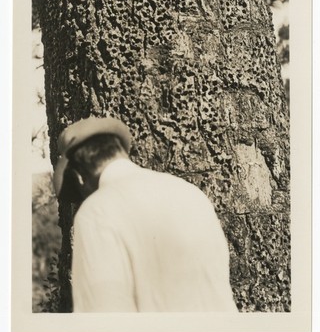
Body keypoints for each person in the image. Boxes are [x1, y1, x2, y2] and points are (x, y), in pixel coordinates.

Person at [53, 116, 237, 313]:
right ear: (120, 152)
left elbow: (103, 315)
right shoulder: (191, 193)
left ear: (79, 178)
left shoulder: (96, 211)